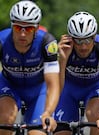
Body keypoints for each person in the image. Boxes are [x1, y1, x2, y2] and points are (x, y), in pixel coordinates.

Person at [0, 1, 60, 135]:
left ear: (37, 28)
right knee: (6, 119)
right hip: (9, 85)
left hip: (38, 90)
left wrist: (48, 112)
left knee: (37, 133)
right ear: (11, 25)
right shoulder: (1, 41)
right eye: (17, 28)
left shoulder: (47, 43)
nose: (22, 34)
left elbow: (53, 84)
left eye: (28, 29)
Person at [54, 11, 99, 135]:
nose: (83, 46)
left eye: (88, 40)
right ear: (71, 38)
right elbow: (57, 87)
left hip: (94, 88)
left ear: (94, 36)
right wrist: (62, 60)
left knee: (98, 120)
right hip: (69, 89)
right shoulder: (64, 47)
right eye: (78, 41)